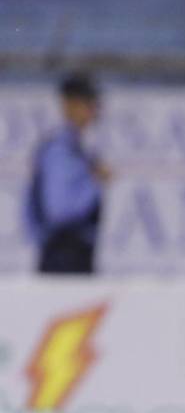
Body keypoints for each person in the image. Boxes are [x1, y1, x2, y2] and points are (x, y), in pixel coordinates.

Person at [24, 72, 110, 275]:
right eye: (88, 103)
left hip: (72, 253)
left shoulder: (77, 148)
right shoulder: (61, 150)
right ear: (70, 105)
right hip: (64, 255)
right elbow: (60, 210)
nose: (94, 110)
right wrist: (94, 180)